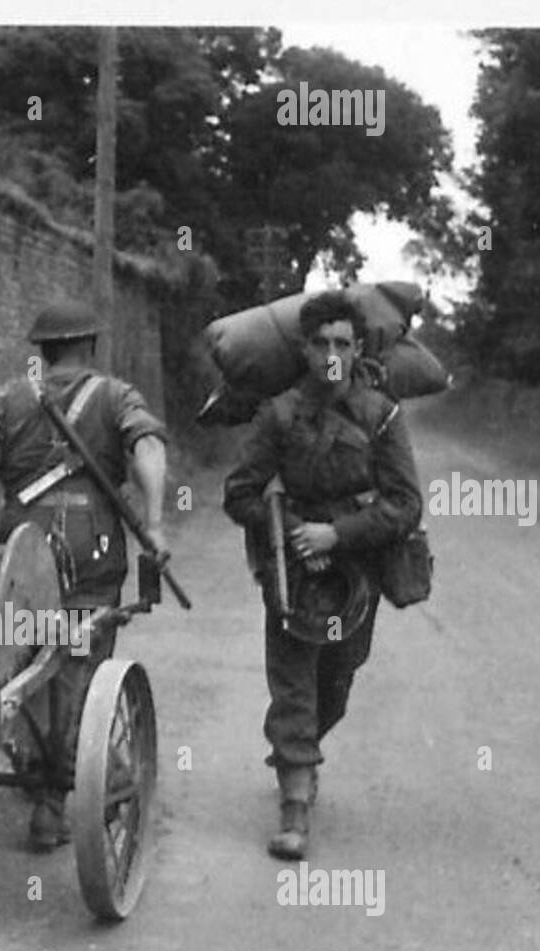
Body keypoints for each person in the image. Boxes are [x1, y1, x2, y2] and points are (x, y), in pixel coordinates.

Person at [0, 299, 169, 851]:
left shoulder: (8, 397)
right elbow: (147, 446)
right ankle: (54, 802)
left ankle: (40, 771)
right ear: (89, 347)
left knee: (19, 662)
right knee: (76, 670)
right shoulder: (117, 397)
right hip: (89, 551)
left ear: (41, 353)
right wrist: (156, 522)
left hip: (16, 553)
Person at [222, 290, 422, 860]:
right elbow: (239, 495)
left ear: (357, 349)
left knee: (336, 683)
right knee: (293, 685)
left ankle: (301, 757)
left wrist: (339, 535)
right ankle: (295, 808)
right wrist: (289, 534)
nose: (331, 353)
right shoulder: (278, 414)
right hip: (294, 577)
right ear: (305, 350)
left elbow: (406, 504)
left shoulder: (381, 415)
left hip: (356, 575)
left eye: (342, 343)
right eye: (320, 343)